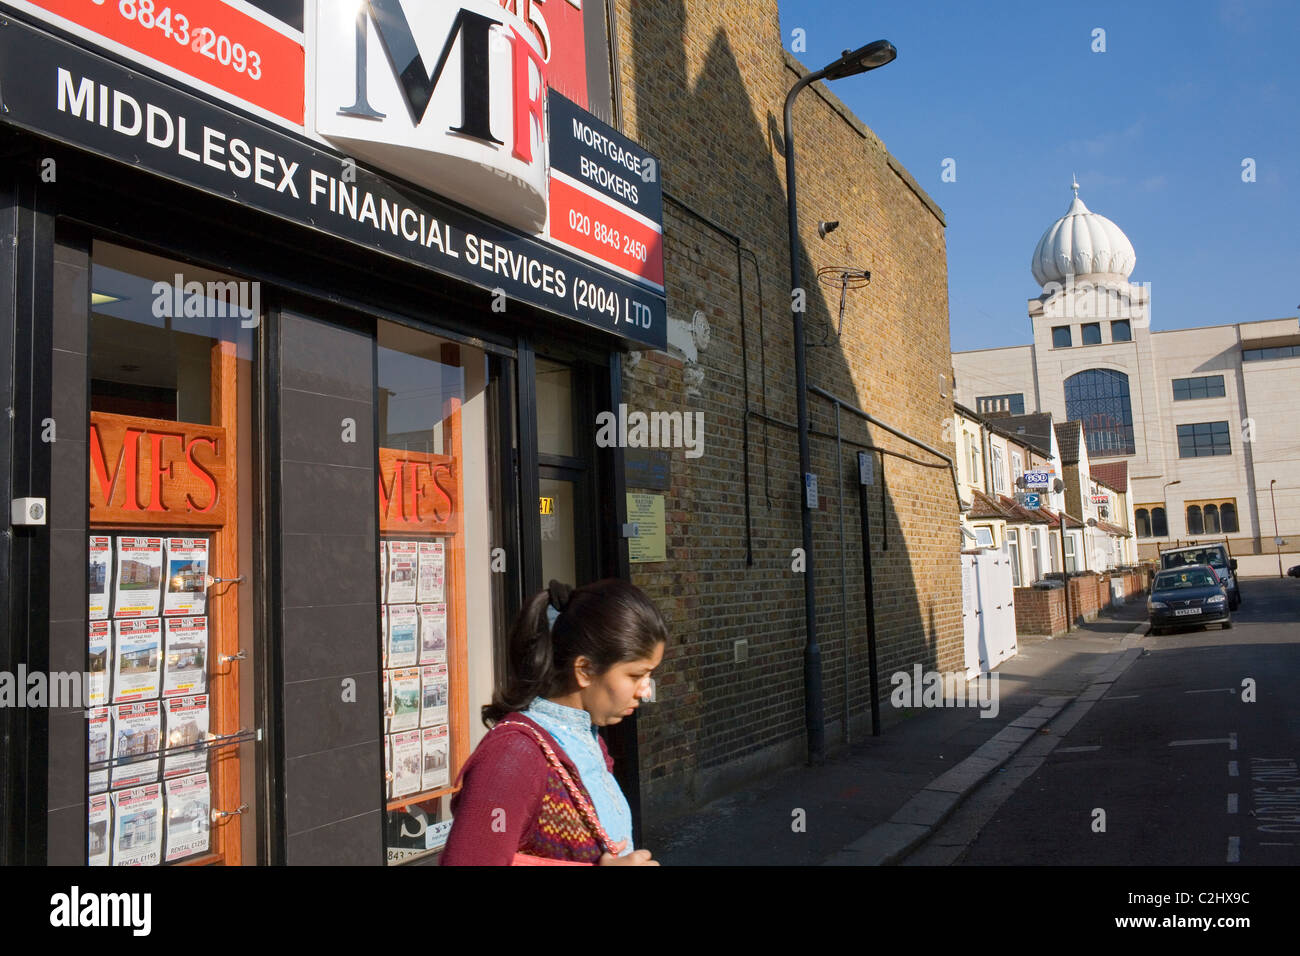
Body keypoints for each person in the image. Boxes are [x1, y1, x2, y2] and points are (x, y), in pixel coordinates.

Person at [440, 578, 667, 866]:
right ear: (584, 670)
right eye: (635, 676)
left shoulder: (587, 741)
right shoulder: (513, 756)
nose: (646, 691)